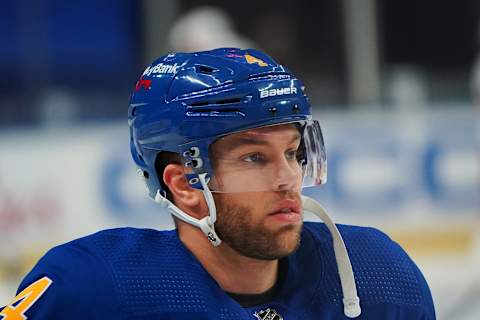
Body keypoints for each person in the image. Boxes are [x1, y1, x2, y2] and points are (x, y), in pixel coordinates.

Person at [0, 48, 435, 319]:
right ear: (185, 183)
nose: (287, 178)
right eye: (254, 158)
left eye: (291, 152)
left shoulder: (378, 277)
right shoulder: (93, 288)